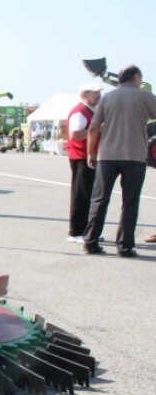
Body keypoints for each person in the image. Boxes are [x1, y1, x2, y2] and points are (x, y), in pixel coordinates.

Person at [82, 65, 156, 257]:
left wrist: (91, 153)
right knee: (129, 202)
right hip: (134, 156)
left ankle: (90, 241)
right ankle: (124, 246)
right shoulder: (145, 97)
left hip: (107, 156)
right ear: (136, 77)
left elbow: (93, 128)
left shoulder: (107, 98)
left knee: (99, 199)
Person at [65, 82, 103, 243]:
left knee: (89, 194)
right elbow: (74, 135)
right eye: (96, 93)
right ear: (86, 95)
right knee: (81, 194)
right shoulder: (79, 112)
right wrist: (98, 129)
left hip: (89, 156)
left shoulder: (89, 111)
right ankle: (76, 232)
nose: (99, 96)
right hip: (80, 157)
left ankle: (87, 229)